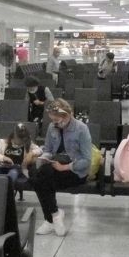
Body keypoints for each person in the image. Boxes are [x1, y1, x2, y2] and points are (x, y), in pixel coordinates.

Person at [30, 99, 92, 236]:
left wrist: (64, 168)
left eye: (57, 120)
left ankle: (50, 219)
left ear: (67, 115)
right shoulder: (52, 127)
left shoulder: (81, 129)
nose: (55, 123)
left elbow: (87, 160)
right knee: (38, 176)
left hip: (75, 171)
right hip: (54, 167)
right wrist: (44, 158)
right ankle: (55, 215)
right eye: (53, 120)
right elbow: (48, 149)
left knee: (41, 179)